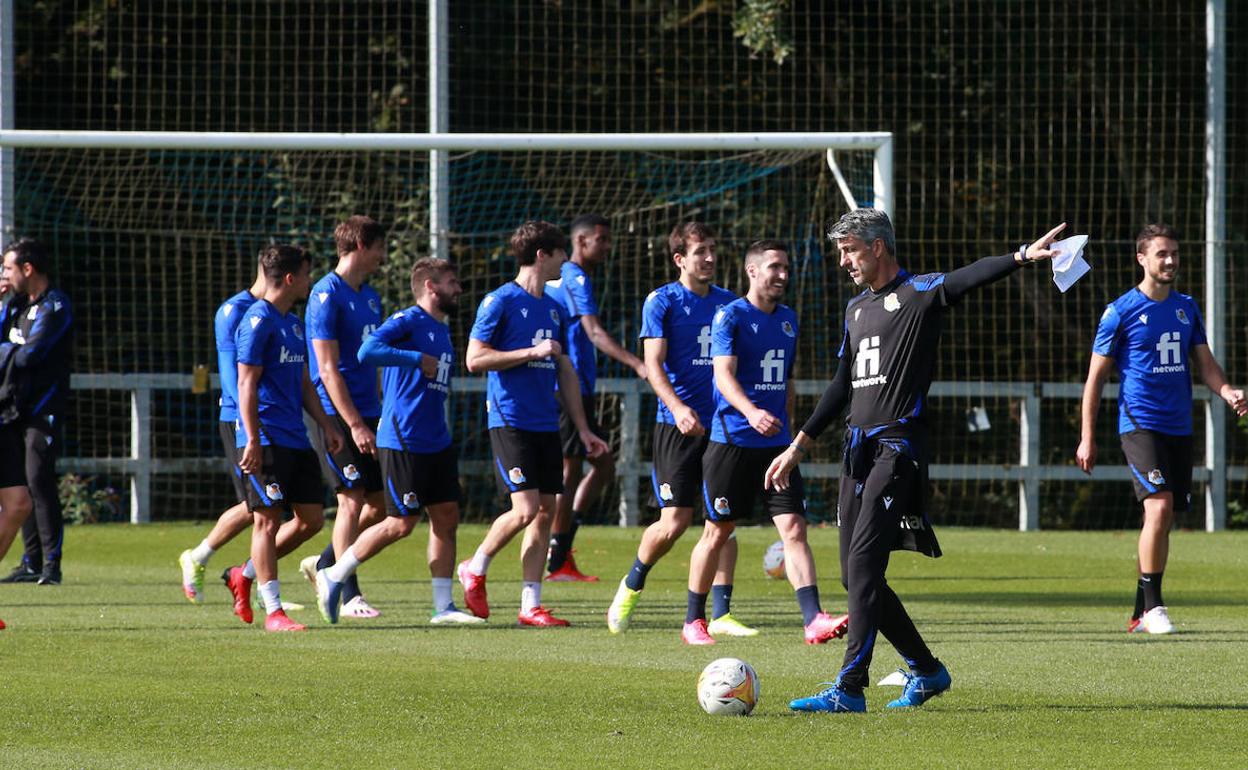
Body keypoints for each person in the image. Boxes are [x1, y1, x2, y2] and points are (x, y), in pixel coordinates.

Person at [772, 209, 1066, 712]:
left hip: (896, 449)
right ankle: (927, 671)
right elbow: (842, 385)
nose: (844, 260)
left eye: (850, 250)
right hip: (855, 453)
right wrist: (799, 444)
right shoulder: (855, 309)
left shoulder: (918, 293)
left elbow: (966, 278)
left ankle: (849, 688)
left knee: (864, 567)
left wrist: (1020, 256)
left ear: (878, 247)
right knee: (855, 577)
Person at [1076, 224, 1246, 635]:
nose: (1170, 261)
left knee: (1163, 517)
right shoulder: (1120, 312)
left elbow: (1205, 364)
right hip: (1139, 424)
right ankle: (1154, 607)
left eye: (1174, 253)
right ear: (1142, 258)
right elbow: (1095, 379)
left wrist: (1227, 391)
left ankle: (1140, 607)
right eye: (1161, 254)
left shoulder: (1187, 307)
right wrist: (1088, 435)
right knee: (1159, 507)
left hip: (1178, 427)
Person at [680, 239, 847, 647]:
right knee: (717, 532)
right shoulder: (730, 316)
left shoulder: (788, 320)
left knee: (794, 529)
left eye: (786, 267)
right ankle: (692, 621)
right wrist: (752, 412)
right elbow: (723, 376)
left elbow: (786, 381)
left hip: (777, 447)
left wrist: (789, 433)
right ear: (752, 271)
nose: (783, 275)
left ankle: (814, 620)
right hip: (731, 443)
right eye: (775, 267)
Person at [457, 221, 609, 627]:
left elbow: (566, 373)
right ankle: (475, 565)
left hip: (546, 422)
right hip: (509, 417)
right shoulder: (499, 302)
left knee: (545, 510)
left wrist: (584, 429)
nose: (565, 261)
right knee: (524, 509)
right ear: (543, 255)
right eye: (560, 253)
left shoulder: (554, 309)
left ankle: (530, 605)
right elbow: (474, 359)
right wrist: (531, 351)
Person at [316, 258, 482, 625]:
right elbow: (366, 352)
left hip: (435, 439)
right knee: (400, 523)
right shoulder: (407, 321)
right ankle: (334, 574)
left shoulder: (441, 328)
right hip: (403, 438)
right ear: (431, 287)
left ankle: (443, 607)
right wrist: (412, 357)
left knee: (446, 517)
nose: (459, 289)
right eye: (452, 282)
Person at [607, 222, 753, 638]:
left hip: (723, 427)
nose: (709, 257)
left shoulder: (730, 303)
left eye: (712, 249)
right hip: (676, 426)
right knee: (673, 522)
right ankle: (632, 584)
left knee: (722, 520)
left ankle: (721, 614)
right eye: (700, 251)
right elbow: (652, 364)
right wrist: (678, 407)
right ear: (679, 259)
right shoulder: (663, 302)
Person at [230, 243, 342, 632]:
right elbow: (246, 382)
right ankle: (273, 610)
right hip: (268, 437)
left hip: (297, 437)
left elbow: (304, 382)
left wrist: (327, 425)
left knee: (311, 521)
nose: (311, 281)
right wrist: (252, 438)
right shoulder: (257, 320)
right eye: (308, 274)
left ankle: (244, 573)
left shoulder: (292, 324)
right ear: (291, 278)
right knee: (267, 521)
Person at [542, 214, 647, 582]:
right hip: (568, 389)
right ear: (581, 240)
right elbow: (596, 333)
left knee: (601, 464)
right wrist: (638, 363)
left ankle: (562, 546)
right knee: (571, 470)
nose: (607, 245)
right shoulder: (575, 277)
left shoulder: (567, 278)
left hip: (576, 387)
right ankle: (557, 558)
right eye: (601, 239)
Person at [299, 216, 387, 619]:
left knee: (381, 506)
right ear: (361, 246)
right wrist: (351, 423)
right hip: (336, 414)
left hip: (369, 410)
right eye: (379, 247)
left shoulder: (370, 297)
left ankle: (325, 563)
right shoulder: (325, 295)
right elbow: (328, 369)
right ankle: (348, 593)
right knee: (350, 499)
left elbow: (375, 360)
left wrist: (381, 412)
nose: (383, 256)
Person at [176, 260, 264, 603]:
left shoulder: (278, 313)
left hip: (266, 415)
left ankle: (202, 558)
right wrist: (245, 418)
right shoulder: (233, 310)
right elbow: (232, 375)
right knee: (260, 508)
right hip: (238, 416)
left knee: (264, 507)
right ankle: (257, 587)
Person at [0, 238, 73, 587]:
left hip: (43, 410)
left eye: (8, 268)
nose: (4, 275)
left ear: (27, 269)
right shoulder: (14, 306)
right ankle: (29, 562)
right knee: (20, 490)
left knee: (39, 482)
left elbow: (32, 355)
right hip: (12, 409)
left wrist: (7, 353)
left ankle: (51, 565)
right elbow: (16, 350)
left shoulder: (55, 306)